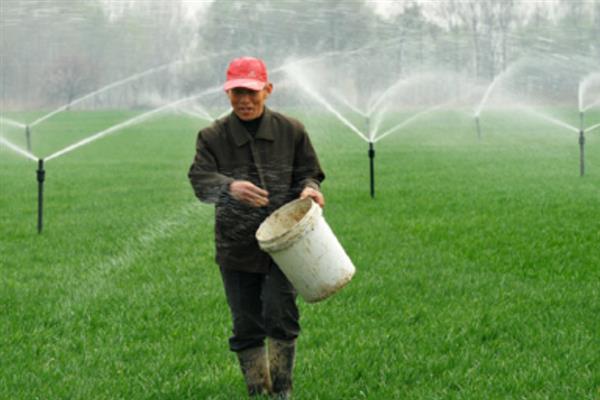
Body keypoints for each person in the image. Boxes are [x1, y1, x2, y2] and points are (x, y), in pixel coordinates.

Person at [188, 56, 325, 398]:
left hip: (286, 243)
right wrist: (229, 187)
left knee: (281, 315)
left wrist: (311, 188)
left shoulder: (291, 130)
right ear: (227, 93)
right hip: (237, 247)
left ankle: (282, 390)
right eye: (236, 92)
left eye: (251, 91)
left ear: (267, 90)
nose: (244, 100)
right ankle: (256, 390)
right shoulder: (211, 136)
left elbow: (309, 173)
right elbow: (200, 180)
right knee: (246, 324)